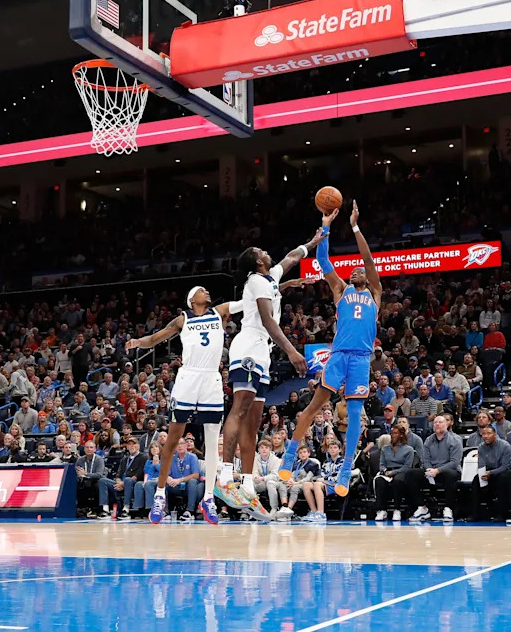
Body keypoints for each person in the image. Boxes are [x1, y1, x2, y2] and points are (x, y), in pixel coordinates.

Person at [219, 227, 323, 516]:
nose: (266, 252)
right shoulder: (255, 281)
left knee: (254, 420)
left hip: (262, 352)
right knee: (239, 410)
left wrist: (313, 242)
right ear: (256, 262)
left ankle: (249, 483)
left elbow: (291, 257)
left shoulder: (269, 277)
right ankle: (226, 474)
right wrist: (291, 350)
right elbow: (267, 320)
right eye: (260, 252)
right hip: (249, 347)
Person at [280, 203, 379, 501]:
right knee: (313, 407)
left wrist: (356, 226)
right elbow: (323, 260)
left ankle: (347, 467)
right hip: (338, 356)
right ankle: (289, 454)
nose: (358, 270)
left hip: (361, 359)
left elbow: (368, 258)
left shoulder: (374, 292)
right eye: (354, 270)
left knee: (355, 413)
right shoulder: (340, 290)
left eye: (361, 269)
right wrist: (325, 227)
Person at [126, 286, 241, 525]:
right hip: (188, 378)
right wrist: (138, 341)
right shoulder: (183, 319)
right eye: (201, 290)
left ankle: (208, 497)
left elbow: (249, 300)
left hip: (211, 378)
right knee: (173, 438)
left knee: (212, 441)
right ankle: (159, 495)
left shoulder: (218, 312)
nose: (207, 291)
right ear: (191, 299)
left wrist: (278, 286)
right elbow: (155, 338)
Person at [405, 416, 462, 522]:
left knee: (451, 475)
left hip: (448, 470)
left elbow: (454, 462)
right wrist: (429, 469)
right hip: (431, 470)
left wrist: (438, 471)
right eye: (435, 422)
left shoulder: (455, 440)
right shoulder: (428, 440)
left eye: (440, 422)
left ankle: (448, 508)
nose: (437, 424)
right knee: (411, 474)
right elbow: (425, 459)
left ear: (446, 424)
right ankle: (422, 507)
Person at [469, 425, 511, 523]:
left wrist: (491, 473)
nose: (485, 436)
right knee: (476, 480)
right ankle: (475, 514)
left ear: (495, 435)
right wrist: (483, 474)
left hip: (502, 472)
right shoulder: (481, 447)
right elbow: (481, 464)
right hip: (488, 472)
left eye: (489, 433)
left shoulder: (505, 446)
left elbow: (505, 466)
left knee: (503, 479)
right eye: (484, 434)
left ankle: (500, 514)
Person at [373, 425, 415, 522]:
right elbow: (382, 464)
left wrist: (393, 472)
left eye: (395, 433)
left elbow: (407, 467)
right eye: (391, 434)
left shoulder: (409, 449)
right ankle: (381, 510)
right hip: (387, 471)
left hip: (401, 471)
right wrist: (384, 471)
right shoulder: (385, 449)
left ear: (401, 435)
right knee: (379, 480)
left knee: (398, 480)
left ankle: (397, 509)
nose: (392, 436)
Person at [98, 437, 147, 520]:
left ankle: (126, 509)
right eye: (129, 444)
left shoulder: (143, 457)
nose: (131, 446)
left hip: (134, 484)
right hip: (121, 483)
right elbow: (118, 474)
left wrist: (123, 483)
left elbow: (138, 475)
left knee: (128, 480)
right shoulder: (124, 459)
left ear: (138, 446)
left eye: (134, 444)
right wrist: (119, 482)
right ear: (127, 447)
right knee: (102, 480)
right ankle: (105, 510)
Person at [303, 441, 343, 522]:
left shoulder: (343, 461)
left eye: (335, 448)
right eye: (330, 448)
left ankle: (321, 513)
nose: (332, 450)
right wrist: (321, 479)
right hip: (326, 483)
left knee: (317, 484)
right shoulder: (326, 462)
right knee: (306, 484)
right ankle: (314, 511)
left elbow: (339, 477)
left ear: (340, 450)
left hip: (337, 484)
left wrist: (324, 479)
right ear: (328, 450)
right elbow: (323, 474)